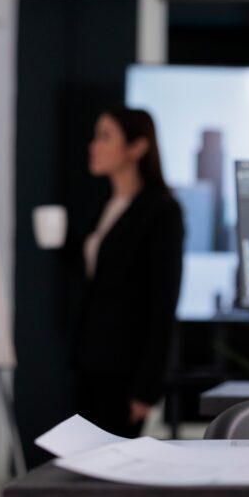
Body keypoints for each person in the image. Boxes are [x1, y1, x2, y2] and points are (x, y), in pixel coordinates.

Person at [70, 106, 184, 438]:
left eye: (105, 136)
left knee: (110, 469)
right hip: (91, 360)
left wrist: (147, 386)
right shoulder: (108, 208)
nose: (94, 146)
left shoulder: (161, 211)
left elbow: (163, 301)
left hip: (124, 368)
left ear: (137, 148)